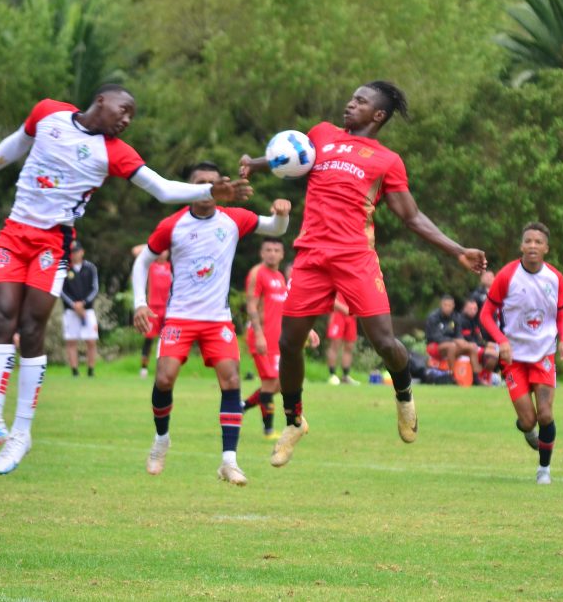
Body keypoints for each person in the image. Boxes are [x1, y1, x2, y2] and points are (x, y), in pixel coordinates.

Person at [0, 84, 251, 475]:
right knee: (0, 316)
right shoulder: (48, 112)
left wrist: (209, 190)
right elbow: (13, 145)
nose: (127, 119)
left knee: (30, 327)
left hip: (53, 241)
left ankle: (21, 432)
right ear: (101, 100)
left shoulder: (115, 152)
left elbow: (162, 189)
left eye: (132, 115)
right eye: (124, 109)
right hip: (14, 232)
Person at [239, 80, 487, 467]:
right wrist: (254, 164)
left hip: (356, 258)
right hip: (311, 256)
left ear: (378, 114)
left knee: (385, 342)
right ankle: (294, 421)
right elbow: (290, 156)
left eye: (360, 101)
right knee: (289, 343)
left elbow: (411, 216)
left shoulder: (386, 161)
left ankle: (404, 394)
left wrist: (457, 250)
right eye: (352, 98)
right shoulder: (322, 134)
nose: (350, 104)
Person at [131, 162, 291, 485]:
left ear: (222, 186)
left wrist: (282, 213)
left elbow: (275, 229)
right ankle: (161, 440)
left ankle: (229, 461)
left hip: (217, 319)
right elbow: (143, 260)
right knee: (164, 378)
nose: (206, 187)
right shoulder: (172, 224)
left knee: (231, 379)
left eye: (212, 181)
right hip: (180, 316)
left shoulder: (234, 219)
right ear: (189, 187)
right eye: (199, 182)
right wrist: (139, 302)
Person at [479, 222, 563, 485]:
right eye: (528, 241)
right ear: (521, 246)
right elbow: (485, 315)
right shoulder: (507, 276)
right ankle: (527, 429)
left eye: (538, 242)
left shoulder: (555, 278)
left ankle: (544, 470)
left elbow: (561, 315)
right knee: (529, 420)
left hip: (544, 355)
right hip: (514, 359)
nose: (532, 246)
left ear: (546, 248)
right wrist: (501, 341)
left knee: (545, 414)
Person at [242, 238, 289, 438]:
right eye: (268, 250)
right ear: (262, 253)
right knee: (270, 382)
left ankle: (241, 406)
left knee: (279, 384)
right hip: (260, 337)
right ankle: (268, 430)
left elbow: (282, 309)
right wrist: (259, 334)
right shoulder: (257, 273)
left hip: (276, 339)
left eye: (276, 250)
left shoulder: (280, 277)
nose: (272, 253)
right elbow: (251, 305)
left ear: (282, 255)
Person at [60, 241, 100, 378]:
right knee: (71, 341)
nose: (74, 254)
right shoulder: (65, 268)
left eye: (76, 251)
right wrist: (74, 305)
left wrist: (83, 303)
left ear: (82, 252)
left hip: (87, 310)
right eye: (72, 252)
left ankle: (90, 371)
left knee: (91, 340)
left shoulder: (90, 268)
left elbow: (95, 288)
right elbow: (61, 290)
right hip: (70, 310)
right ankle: (75, 372)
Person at [134, 246, 172, 380]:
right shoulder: (151, 265)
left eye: (165, 249)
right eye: (161, 249)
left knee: (166, 340)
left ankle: (162, 369)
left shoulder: (171, 267)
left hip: (168, 309)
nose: (163, 252)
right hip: (152, 309)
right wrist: (156, 245)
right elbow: (135, 251)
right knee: (149, 338)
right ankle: (144, 368)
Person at [426, 295, 479, 373]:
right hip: (434, 345)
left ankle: (475, 375)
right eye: (445, 305)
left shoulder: (456, 317)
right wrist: (454, 340)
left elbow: (458, 333)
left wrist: (462, 341)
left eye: (449, 305)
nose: (447, 308)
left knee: (472, 347)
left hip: (453, 343)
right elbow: (436, 337)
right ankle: (452, 373)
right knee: (452, 346)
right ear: (441, 304)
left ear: (453, 306)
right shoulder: (433, 317)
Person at [457, 298, 500, 385]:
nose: (473, 311)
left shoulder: (475, 320)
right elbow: (467, 339)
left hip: (476, 345)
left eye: (475, 309)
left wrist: (486, 343)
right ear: (464, 308)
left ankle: (487, 377)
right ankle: (481, 378)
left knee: (497, 348)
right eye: (470, 308)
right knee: (493, 354)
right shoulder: (460, 320)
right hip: (466, 347)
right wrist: (486, 344)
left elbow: (478, 337)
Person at [326, 294, 360, 385]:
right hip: (338, 315)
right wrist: (345, 309)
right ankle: (332, 375)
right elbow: (330, 299)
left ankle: (345, 376)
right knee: (335, 345)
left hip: (351, 317)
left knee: (349, 347)